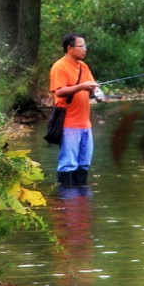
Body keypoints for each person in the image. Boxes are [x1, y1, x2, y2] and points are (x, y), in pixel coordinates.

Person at [49, 33, 101, 187]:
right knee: (68, 163)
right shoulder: (59, 66)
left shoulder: (83, 66)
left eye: (85, 46)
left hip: (85, 123)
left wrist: (98, 94)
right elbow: (59, 91)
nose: (85, 49)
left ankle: (82, 201)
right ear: (70, 48)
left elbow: (92, 86)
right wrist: (81, 87)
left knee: (84, 163)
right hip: (68, 123)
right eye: (81, 46)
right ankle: (68, 201)